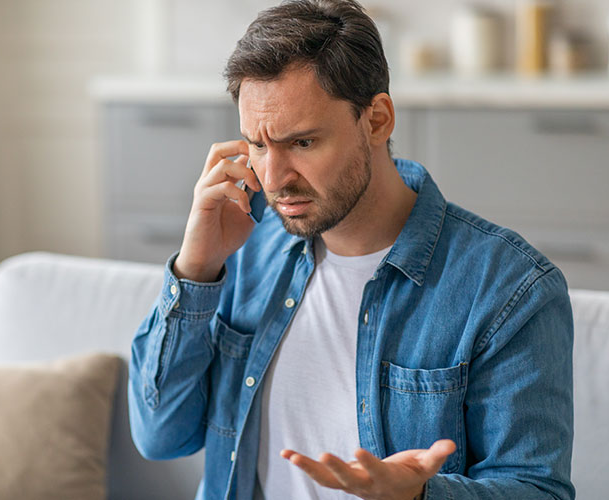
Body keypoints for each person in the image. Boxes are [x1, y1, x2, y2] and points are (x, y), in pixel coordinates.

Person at [128, 1, 575, 499]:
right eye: (257, 144)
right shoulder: (242, 249)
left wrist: (420, 495)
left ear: (377, 120)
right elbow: (161, 436)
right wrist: (196, 269)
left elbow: (539, 490)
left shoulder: (509, 290)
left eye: (302, 143)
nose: (273, 180)